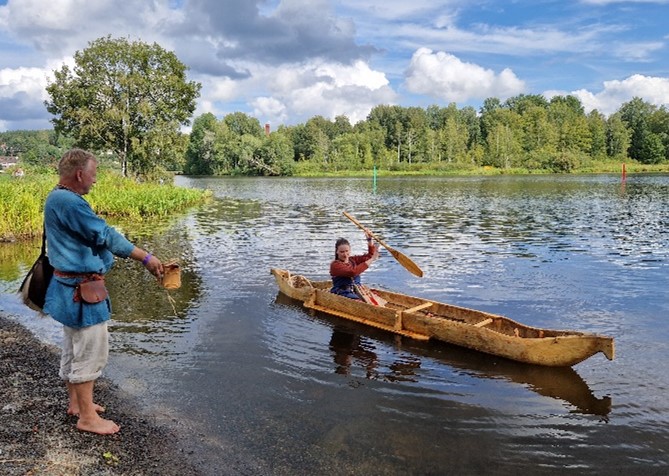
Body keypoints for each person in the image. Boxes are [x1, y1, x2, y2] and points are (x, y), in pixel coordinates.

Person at [43, 149, 164, 435]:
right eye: (94, 174)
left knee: (74, 349)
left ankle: (77, 404)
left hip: (68, 288)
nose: (95, 180)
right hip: (83, 292)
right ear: (80, 174)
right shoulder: (70, 203)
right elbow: (106, 235)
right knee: (90, 353)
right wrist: (146, 258)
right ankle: (86, 418)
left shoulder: (57, 198)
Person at [329, 229, 380, 299]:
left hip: (357, 290)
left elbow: (369, 256)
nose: (345, 254)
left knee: (376, 296)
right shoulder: (335, 265)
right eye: (342, 252)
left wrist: (369, 240)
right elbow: (353, 272)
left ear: (350, 250)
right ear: (337, 252)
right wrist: (372, 259)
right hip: (342, 293)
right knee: (360, 301)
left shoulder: (352, 260)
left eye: (347, 251)